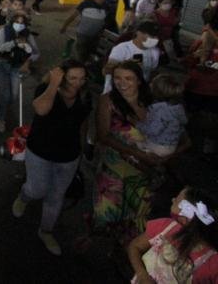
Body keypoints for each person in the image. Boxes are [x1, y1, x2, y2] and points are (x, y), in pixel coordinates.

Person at [12, 61, 91, 255]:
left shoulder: (85, 96)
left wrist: (84, 146)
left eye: (82, 78)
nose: (77, 83)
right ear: (62, 77)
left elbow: (83, 122)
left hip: (68, 156)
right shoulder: (46, 89)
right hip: (40, 151)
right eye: (72, 78)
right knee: (36, 188)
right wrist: (53, 84)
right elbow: (40, 109)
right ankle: (24, 196)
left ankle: (46, 231)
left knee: (56, 196)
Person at [93, 62, 158, 243]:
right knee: (110, 215)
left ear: (139, 81)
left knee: (137, 217)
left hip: (142, 172)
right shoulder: (108, 101)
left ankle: (128, 252)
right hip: (115, 169)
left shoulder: (152, 102)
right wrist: (138, 154)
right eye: (117, 78)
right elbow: (103, 135)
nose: (122, 83)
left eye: (128, 78)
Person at [128, 187, 218, 283]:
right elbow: (134, 246)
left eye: (178, 199)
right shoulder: (165, 226)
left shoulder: (213, 263)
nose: (173, 199)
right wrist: (142, 274)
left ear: (186, 215)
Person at [0, 12, 39, 132]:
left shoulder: (28, 35)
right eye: (17, 22)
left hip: (17, 67)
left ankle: (1, 106)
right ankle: (0, 118)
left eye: (22, 23)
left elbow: (36, 53)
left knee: (13, 96)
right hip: (2, 65)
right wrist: (14, 43)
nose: (19, 25)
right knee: (5, 94)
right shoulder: (4, 31)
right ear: (12, 22)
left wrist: (27, 61)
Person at [135, 74, 189, 158]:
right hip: (172, 145)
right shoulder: (178, 106)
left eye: (152, 83)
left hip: (158, 147)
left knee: (132, 141)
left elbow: (153, 131)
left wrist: (138, 124)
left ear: (158, 91)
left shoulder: (161, 110)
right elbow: (184, 121)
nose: (149, 84)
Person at [103, 21, 161, 93]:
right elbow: (106, 70)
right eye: (151, 35)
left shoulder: (155, 51)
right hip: (117, 90)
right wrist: (127, 64)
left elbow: (152, 71)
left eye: (156, 36)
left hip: (139, 90)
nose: (155, 39)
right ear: (138, 33)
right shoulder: (122, 48)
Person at [60, 0, 110, 64]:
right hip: (82, 34)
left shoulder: (106, 6)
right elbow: (73, 16)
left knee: (90, 54)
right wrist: (64, 26)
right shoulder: (86, 3)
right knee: (81, 55)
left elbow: (104, 21)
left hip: (95, 36)